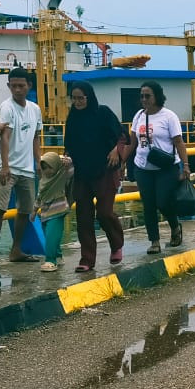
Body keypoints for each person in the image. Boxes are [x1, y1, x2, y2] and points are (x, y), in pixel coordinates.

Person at [64, 81, 126, 272]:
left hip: (105, 169)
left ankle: (116, 244)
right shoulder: (72, 118)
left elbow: (123, 135)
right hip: (82, 172)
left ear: (88, 97)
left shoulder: (103, 113)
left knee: (105, 212)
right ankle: (87, 259)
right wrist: (67, 158)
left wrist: (117, 150)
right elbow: (70, 144)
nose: (77, 102)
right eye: (74, 98)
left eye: (81, 98)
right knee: (83, 216)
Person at [125, 81, 189, 255]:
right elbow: (132, 142)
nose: (144, 99)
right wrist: (121, 161)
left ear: (157, 96)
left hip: (166, 167)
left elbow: (178, 142)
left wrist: (186, 166)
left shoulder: (169, 116)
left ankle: (175, 226)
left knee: (163, 201)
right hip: (143, 167)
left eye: (148, 96)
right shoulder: (138, 116)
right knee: (148, 205)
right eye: (142, 96)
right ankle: (154, 241)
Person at [0, 68, 41, 265]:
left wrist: (38, 161)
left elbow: (36, 137)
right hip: (7, 168)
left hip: (26, 168)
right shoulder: (6, 107)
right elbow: (5, 137)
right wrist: (5, 166)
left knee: (25, 210)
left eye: (21, 86)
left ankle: (16, 249)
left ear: (29, 86)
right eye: (13, 86)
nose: (17, 90)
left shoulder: (35, 109)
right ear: (9, 86)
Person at [33, 152, 73, 273]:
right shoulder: (43, 181)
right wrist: (34, 211)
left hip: (57, 211)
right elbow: (40, 196)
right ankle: (58, 255)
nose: (47, 171)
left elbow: (72, 168)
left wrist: (67, 161)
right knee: (50, 236)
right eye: (44, 168)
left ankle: (51, 260)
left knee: (51, 236)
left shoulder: (62, 174)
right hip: (45, 213)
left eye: (49, 167)